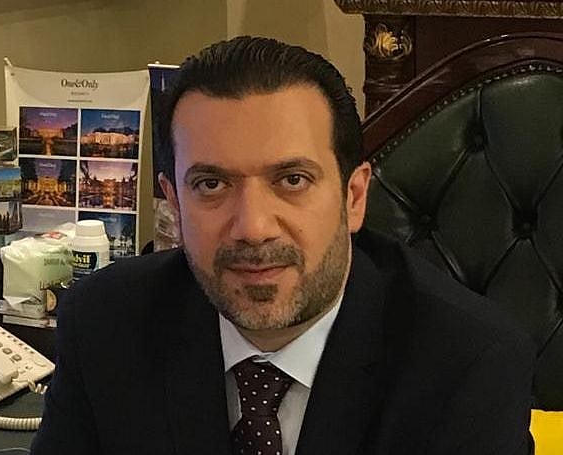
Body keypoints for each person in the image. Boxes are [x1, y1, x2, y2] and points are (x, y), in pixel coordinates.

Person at [32, 36, 535, 455]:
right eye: (211, 184)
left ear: (354, 197)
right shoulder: (104, 324)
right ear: (175, 205)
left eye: (292, 180)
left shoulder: (468, 364)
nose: (253, 228)